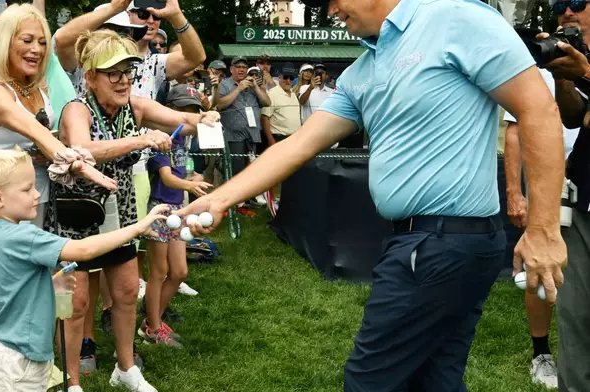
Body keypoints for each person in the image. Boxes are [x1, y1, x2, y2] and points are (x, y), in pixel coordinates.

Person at [176, 0, 567, 390]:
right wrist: (222, 198)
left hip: (441, 244)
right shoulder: (362, 70)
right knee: (435, 380)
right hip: (429, 243)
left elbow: (539, 109)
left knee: (369, 382)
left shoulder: (455, 16)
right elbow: (298, 146)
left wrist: (545, 229)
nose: (331, 11)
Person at [45, 29, 218, 392]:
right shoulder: (77, 108)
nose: (123, 80)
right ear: (90, 76)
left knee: (125, 292)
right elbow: (81, 148)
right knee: (74, 304)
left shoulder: (135, 105)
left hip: (121, 213)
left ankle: (125, 368)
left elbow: (176, 119)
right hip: (77, 216)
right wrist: (140, 139)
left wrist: (203, 119)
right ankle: (72, 381)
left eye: (127, 71)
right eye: (113, 72)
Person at [0, 148, 169, 392]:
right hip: (22, 362)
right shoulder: (23, 236)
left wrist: (49, 286)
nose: (36, 193)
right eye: (26, 189)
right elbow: (82, 250)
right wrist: (137, 228)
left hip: (4, 353)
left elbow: (9, 290)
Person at [0, 3, 116, 250]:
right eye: (27, 40)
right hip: (1, 205)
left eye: (42, 42)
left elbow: (44, 134)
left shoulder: (39, 87)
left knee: (39, 279)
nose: (36, 50)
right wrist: (76, 162)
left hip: (40, 197)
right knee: (9, 282)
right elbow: (32, 129)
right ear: (5, 42)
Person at [504, 67, 578, 389]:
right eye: (559, 11)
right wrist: (515, 192)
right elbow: (513, 132)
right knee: (539, 267)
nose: (567, 15)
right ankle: (541, 353)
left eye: (574, 10)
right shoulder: (534, 71)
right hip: (549, 182)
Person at [537, 1, 590, 390]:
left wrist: (587, 71)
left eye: (577, 0)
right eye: (558, 3)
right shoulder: (576, 56)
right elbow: (574, 117)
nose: (566, 10)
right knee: (576, 320)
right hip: (585, 203)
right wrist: (564, 77)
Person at [140, 84, 212, 347]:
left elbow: (180, 173)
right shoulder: (162, 140)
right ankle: (153, 328)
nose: (189, 115)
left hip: (177, 209)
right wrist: (190, 186)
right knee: (159, 271)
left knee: (179, 272)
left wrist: (193, 178)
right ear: (169, 111)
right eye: (184, 110)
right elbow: (166, 177)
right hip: (159, 210)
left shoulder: (182, 140)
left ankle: (151, 321)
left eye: (194, 111)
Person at [211, 56, 271, 209]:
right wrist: (238, 88)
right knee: (235, 170)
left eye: (244, 67)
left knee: (250, 170)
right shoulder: (225, 84)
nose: (241, 69)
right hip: (233, 135)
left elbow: (267, 102)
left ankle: (246, 200)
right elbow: (220, 104)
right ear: (231, 69)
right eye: (238, 67)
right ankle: (233, 203)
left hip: (252, 135)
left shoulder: (253, 85)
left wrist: (256, 88)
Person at [260, 62, 300, 214]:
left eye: (291, 78)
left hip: (293, 138)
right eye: (286, 77)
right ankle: (274, 200)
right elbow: (264, 118)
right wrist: (271, 142)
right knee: (276, 172)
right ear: (280, 77)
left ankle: (287, 199)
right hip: (278, 137)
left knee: (290, 172)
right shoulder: (273, 94)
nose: (289, 81)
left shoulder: (293, 94)